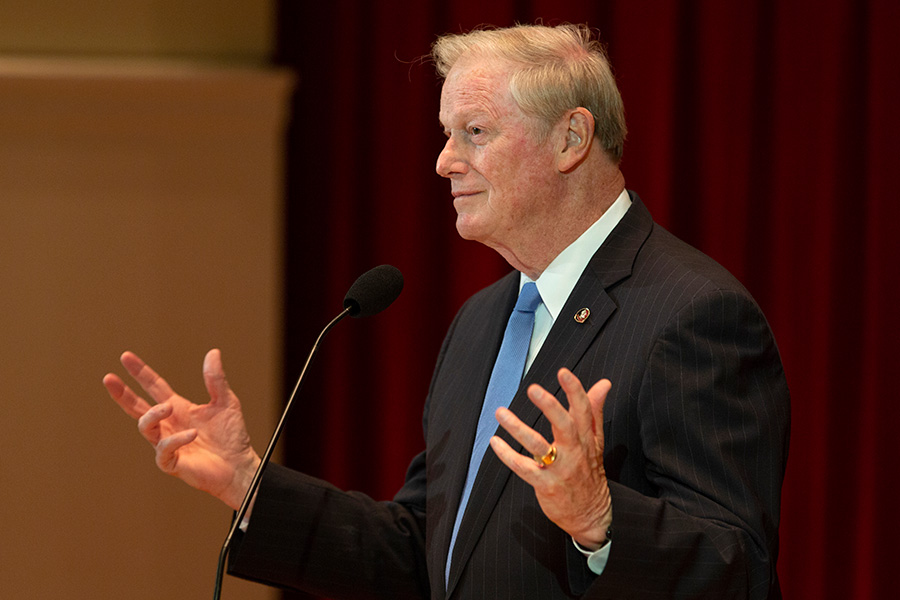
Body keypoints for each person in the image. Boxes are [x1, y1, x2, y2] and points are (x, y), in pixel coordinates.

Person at [105, 23, 789, 599]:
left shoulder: (695, 315)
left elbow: (741, 569)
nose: (443, 161)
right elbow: (418, 551)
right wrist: (251, 485)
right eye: (446, 133)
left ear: (570, 139)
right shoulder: (482, 320)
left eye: (475, 131)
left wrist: (601, 520)